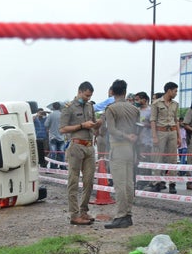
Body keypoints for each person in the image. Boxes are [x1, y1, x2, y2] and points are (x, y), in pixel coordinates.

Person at [60, 81, 102, 225]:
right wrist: (81, 125)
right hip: (76, 146)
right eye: (86, 95)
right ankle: (74, 214)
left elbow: (95, 128)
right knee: (73, 181)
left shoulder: (90, 106)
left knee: (89, 181)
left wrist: (97, 126)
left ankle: (84, 211)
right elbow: (63, 129)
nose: (88, 98)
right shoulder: (69, 107)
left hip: (90, 146)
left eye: (90, 96)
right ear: (79, 91)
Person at [103, 80, 139, 229]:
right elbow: (138, 130)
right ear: (125, 91)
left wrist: (124, 135)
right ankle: (128, 214)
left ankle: (120, 215)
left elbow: (111, 130)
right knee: (129, 184)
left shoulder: (110, 109)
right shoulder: (134, 109)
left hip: (118, 148)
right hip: (131, 150)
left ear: (112, 91)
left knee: (120, 185)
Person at [149, 82, 180, 194]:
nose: (176, 93)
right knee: (158, 158)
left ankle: (172, 183)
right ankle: (156, 183)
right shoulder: (156, 103)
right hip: (160, 132)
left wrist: (179, 137)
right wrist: (154, 136)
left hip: (172, 131)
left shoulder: (175, 104)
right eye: (175, 91)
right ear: (169, 90)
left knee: (173, 159)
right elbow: (152, 120)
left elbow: (176, 121)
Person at [134, 92, 153, 190]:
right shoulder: (136, 111)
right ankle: (140, 180)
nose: (136, 101)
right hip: (138, 140)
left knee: (146, 161)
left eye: (138, 99)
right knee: (138, 161)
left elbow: (154, 125)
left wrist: (146, 125)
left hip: (147, 140)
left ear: (144, 99)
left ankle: (145, 181)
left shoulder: (150, 111)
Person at [45, 102, 65, 170]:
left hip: (52, 137)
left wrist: (51, 127)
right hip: (61, 137)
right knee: (61, 153)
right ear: (60, 107)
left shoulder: (51, 115)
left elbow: (46, 125)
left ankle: (53, 167)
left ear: (53, 107)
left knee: (53, 153)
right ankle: (63, 166)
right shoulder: (63, 115)